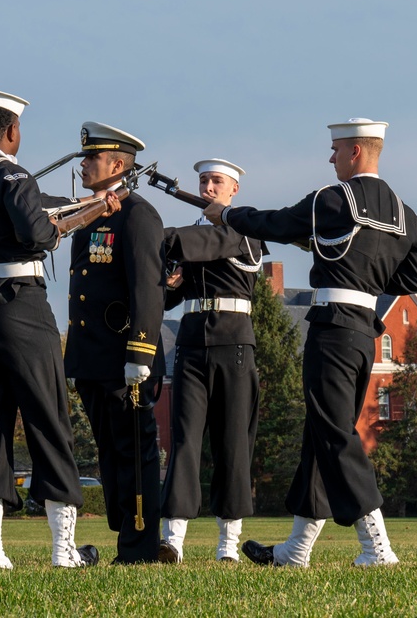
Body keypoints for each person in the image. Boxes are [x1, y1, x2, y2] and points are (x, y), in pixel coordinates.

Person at [204, 118, 417, 567]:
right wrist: (363, 268)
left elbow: (279, 223)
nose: (330, 158)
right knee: (320, 434)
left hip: (333, 328)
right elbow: (413, 276)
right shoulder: (405, 213)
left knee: (334, 433)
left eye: (335, 150)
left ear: (355, 153)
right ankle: (296, 550)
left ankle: (377, 546)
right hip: (365, 329)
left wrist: (226, 214)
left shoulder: (334, 199)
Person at [0, 89, 99, 569]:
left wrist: (73, 203)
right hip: (21, 306)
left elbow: (14, 211)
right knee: (49, 418)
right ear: (12, 131)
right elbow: (37, 234)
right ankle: (63, 548)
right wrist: (83, 217)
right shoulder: (13, 172)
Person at [62, 122, 172, 564]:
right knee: (110, 456)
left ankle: (140, 546)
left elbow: (148, 288)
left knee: (133, 452)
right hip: (93, 358)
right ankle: (127, 536)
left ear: (118, 165)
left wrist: (139, 353)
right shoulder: (90, 214)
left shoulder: (138, 214)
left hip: (127, 358)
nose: (84, 164)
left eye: (91, 158)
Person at [159, 159, 264, 562]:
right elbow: (169, 295)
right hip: (190, 343)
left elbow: (201, 244)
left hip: (233, 345)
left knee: (233, 442)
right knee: (185, 440)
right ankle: (174, 539)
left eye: (216, 181)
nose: (207, 187)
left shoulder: (243, 228)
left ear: (233, 189)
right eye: (203, 180)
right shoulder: (194, 236)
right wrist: (168, 282)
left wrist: (149, 233)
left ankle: (228, 544)